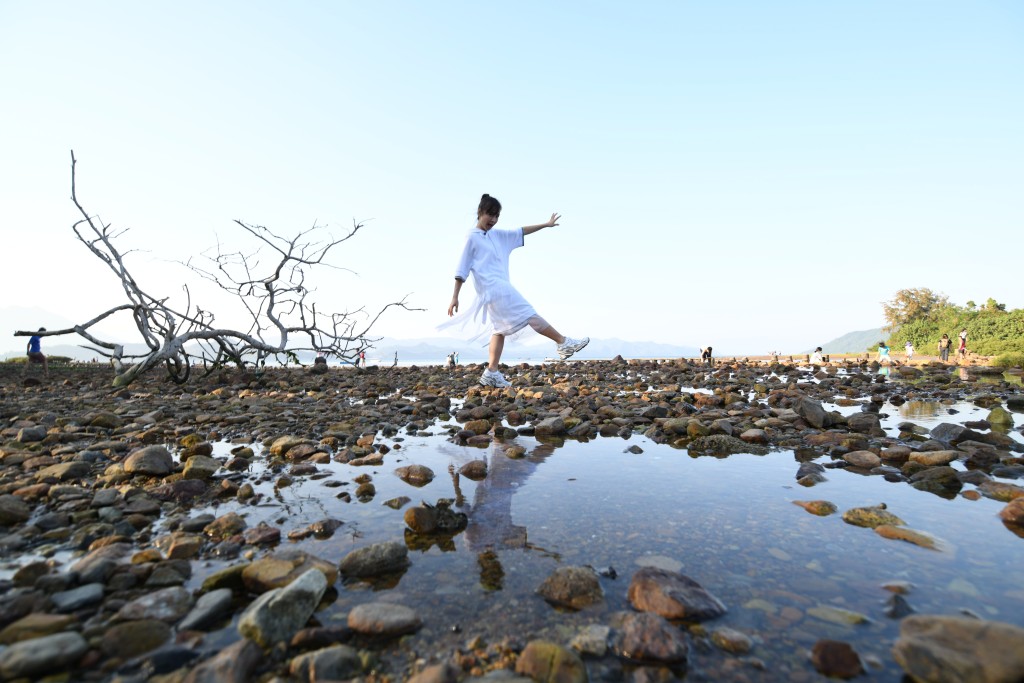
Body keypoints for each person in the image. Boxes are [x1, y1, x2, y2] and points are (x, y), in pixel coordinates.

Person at [441, 194, 589, 388]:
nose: (493, 220)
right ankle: (562, 342)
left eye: (496, 216)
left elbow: (520, 231)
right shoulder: (471, 237)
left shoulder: (497, 235)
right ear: (480, 213)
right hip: (494, 289)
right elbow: (461, 268)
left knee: (499, 330)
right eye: (490, 215)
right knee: (527, 313)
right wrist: (454, 296)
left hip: (497, 290)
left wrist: (545, 225)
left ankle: (491, 372)